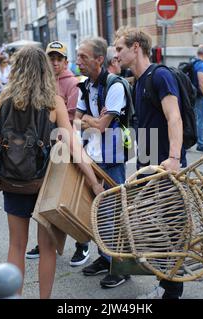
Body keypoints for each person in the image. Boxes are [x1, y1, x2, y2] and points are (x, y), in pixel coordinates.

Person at [0, 45, 105, 298]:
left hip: (12, 181)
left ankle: (14, 296)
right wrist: (92, 181)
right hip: (45, 184)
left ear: (17, 70)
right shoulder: (54, 103)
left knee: (16, 246)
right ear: (44, 70)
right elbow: (74, 147)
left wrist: (1, 144)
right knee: (47, 247)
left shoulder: (1, 101)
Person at [114, 26, 185, 299]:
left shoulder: (160, 76)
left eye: (120, 48)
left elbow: (174, 117)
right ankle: (165, 284)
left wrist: (175, 159)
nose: (116, 54)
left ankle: (171, 290)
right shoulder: (139, 81)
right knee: (155, 227)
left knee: (170, 228)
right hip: (148, 166)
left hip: (165, 166)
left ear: (135, 48)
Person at [25, 41, 89, 267]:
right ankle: (45, 242)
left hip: (66, 148)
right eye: (51, 58)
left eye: (59, 58)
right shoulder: (42, 83)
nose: (54, 62)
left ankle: (82, 244)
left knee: (70, 199)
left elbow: (72, 119)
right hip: (46, 152)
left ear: (66, 61)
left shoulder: (73, 83)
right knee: (45, 200)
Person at [74, 37, 131, 289]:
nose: (78, 62)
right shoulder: (85, 86)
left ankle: (121, 267)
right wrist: (89, 119)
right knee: (96, 214)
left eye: (83, 57)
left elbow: (102, 125)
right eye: (77, 57)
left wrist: (88, 119)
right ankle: (105, 257)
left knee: (114, 215)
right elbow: (76, 121)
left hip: (112, 160)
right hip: (93, 157)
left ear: (99, 60)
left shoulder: (115, 85)